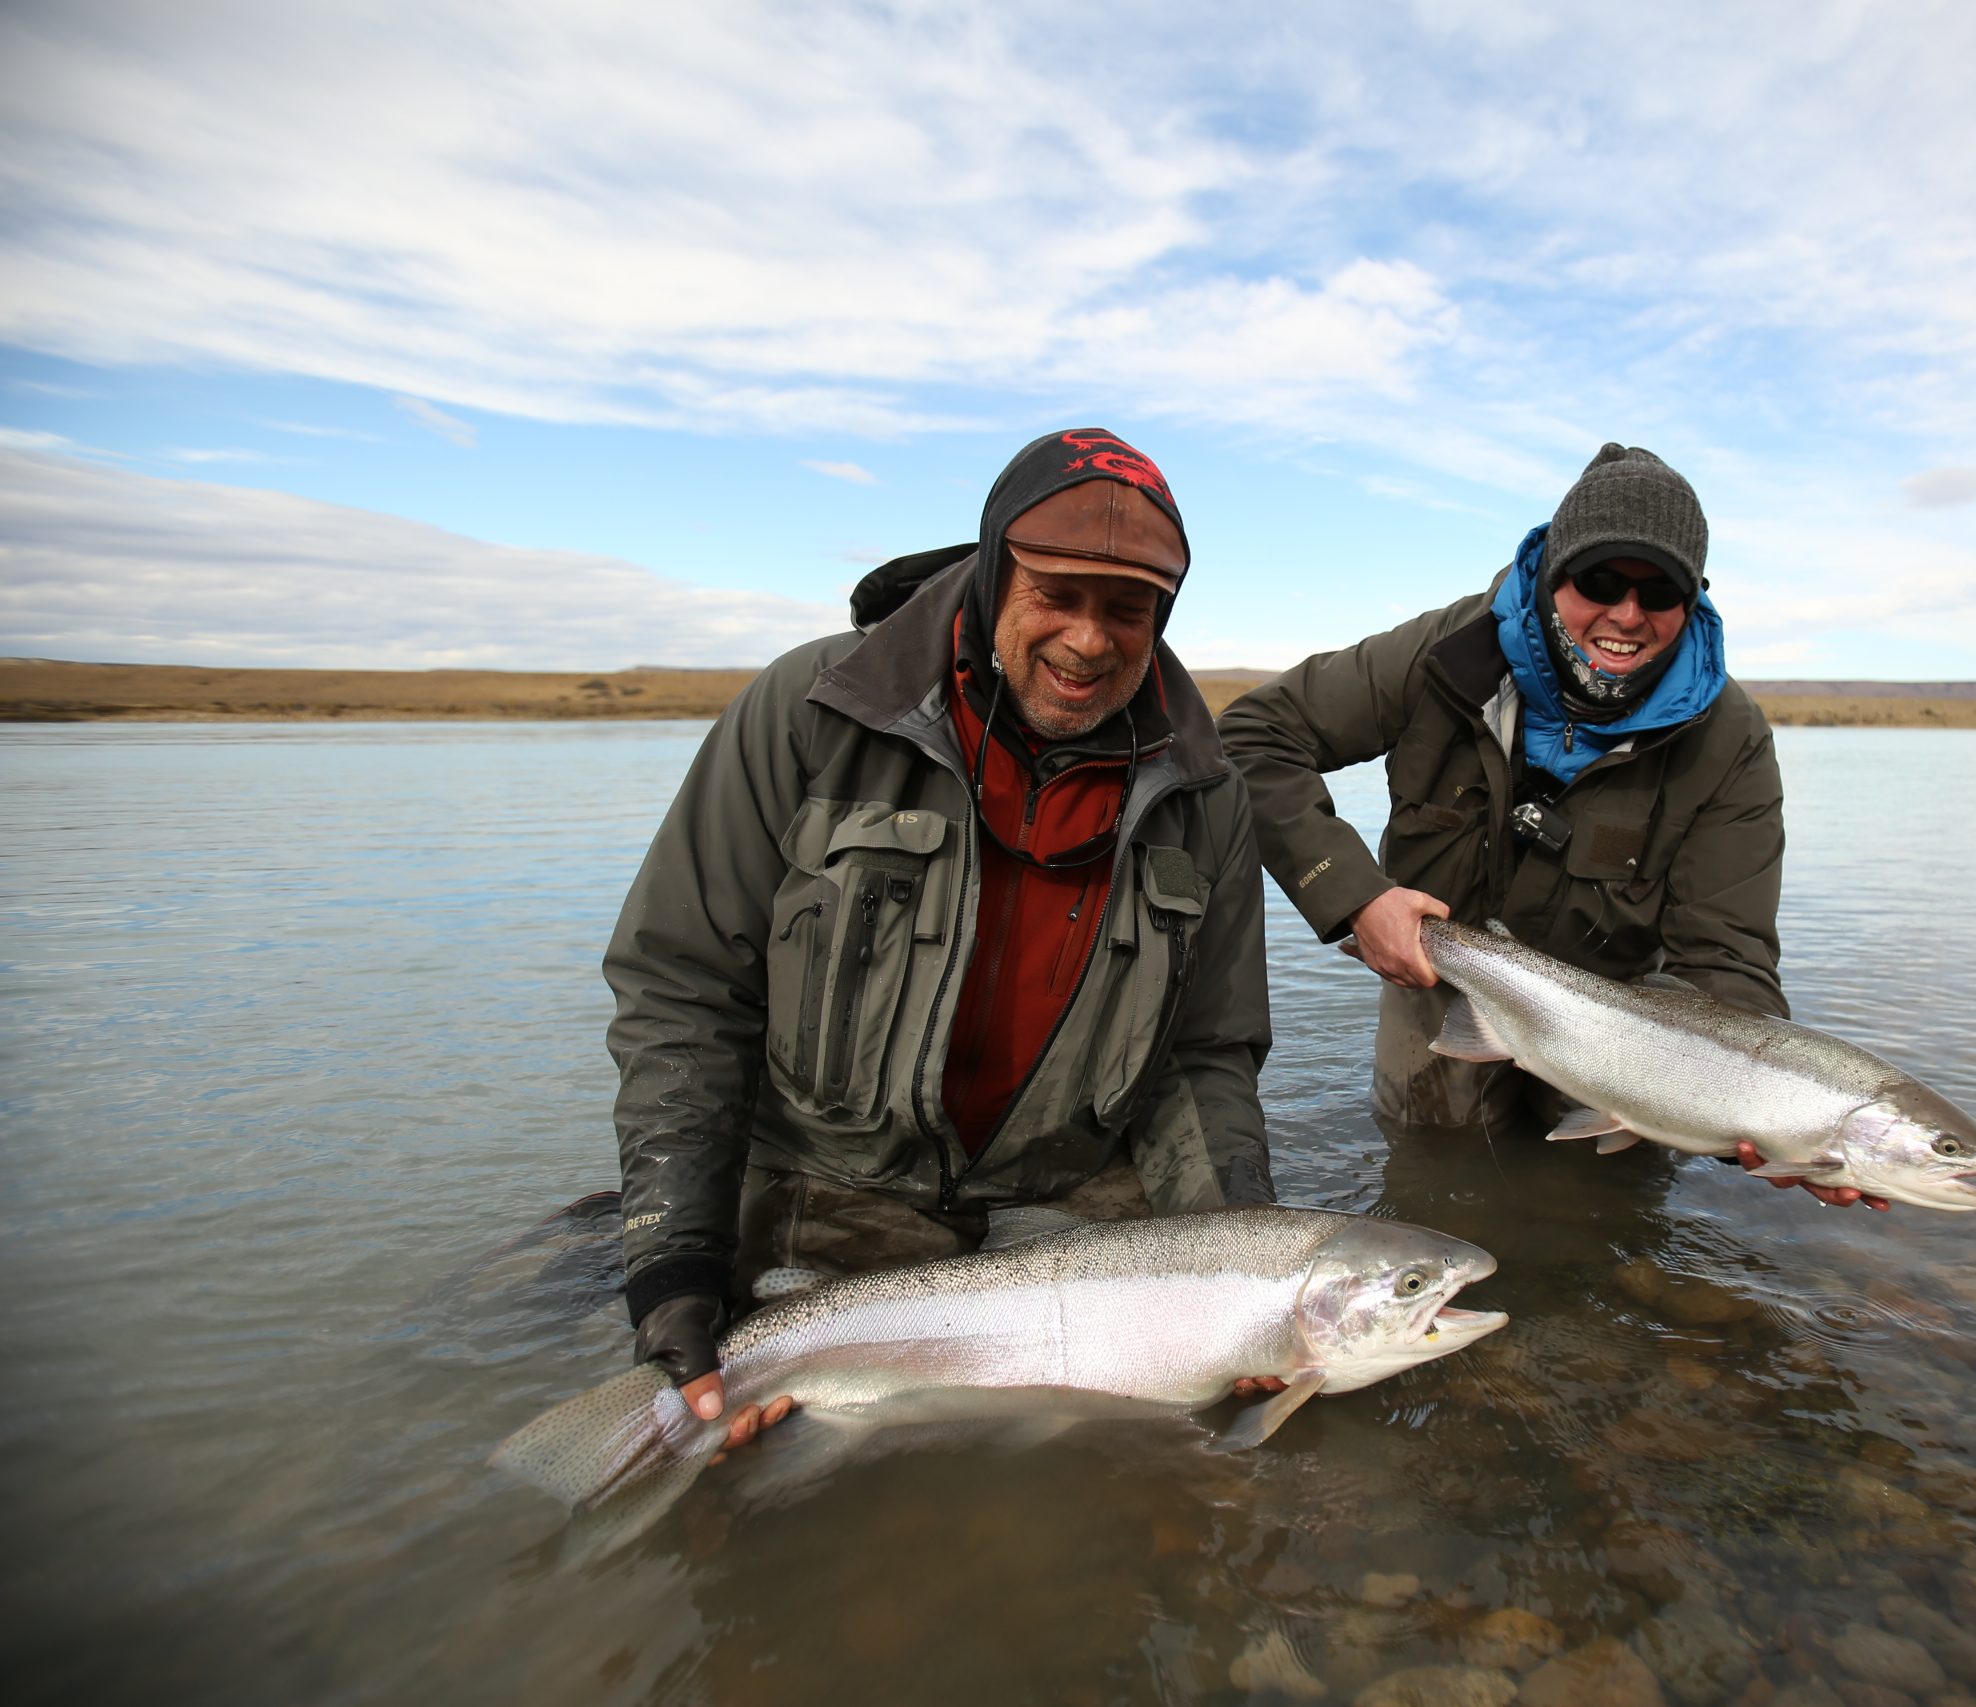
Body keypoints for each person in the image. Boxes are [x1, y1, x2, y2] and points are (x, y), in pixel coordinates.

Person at [606, 427, 1280, 1456]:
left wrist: (1249, 1265)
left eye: (1127, 609)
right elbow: (686, 993)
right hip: (833, 1182)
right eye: (1056, 594)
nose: (1090, 641)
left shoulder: (1208, 791)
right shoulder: (809, 711)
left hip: (1064, 1192)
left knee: (1161, 1459)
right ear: (990, 569)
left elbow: (1205, 1055)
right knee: (756, 1469)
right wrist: (674, 1263)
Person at [1218, 442, 1882, 1210]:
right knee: (1433, 1181)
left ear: (1692, 599)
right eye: (1600, 580)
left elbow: (1727, 961)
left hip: (1627, 1025)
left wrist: (1780, 1128)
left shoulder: (1729, 738)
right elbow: (1254, 735)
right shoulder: (1448, 653)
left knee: (1606, 1209)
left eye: (1659, 590)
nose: (1626, 615)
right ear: (1550, 573)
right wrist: (1357, 896)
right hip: (1443, 976)